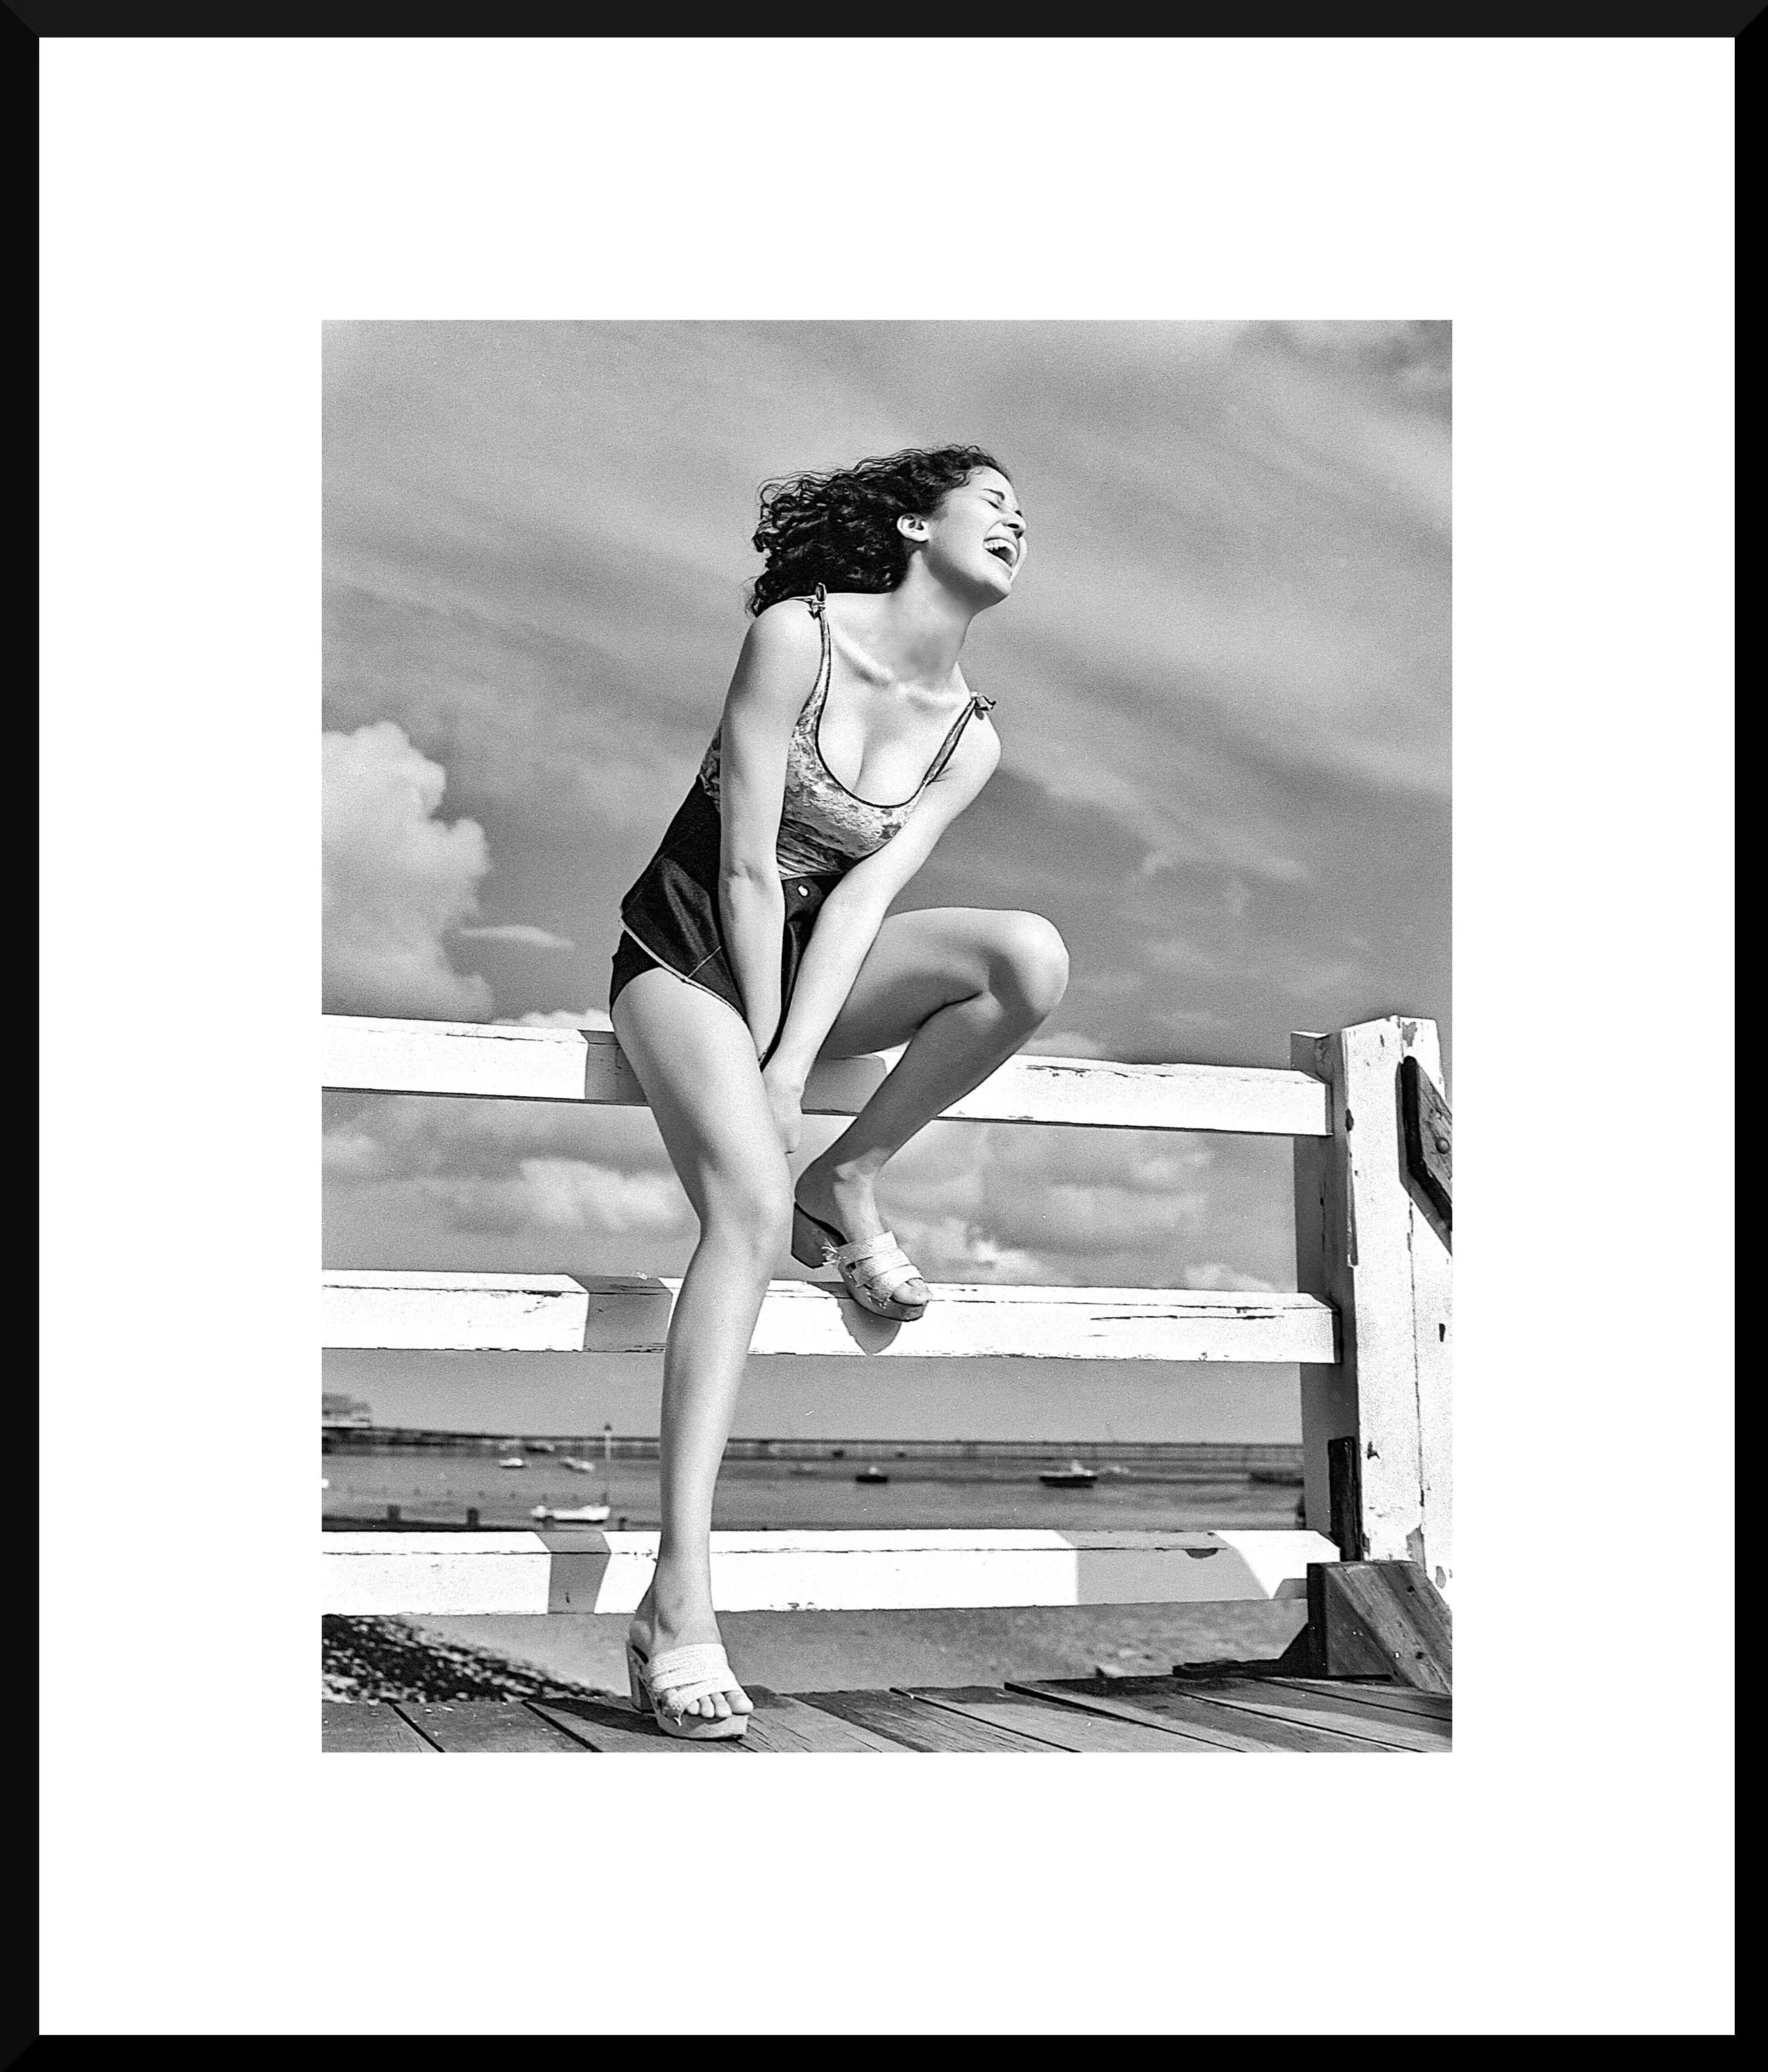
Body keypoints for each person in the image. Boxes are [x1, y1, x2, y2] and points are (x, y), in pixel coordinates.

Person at [607, 446, 1069, 1737]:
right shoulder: (793, 636)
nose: (1015, 523)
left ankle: (846, 1174)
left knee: (1024, 957)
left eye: (1023, 517)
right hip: (687, 947)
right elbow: (749, 866)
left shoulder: (970, 735)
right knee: (744, 1219)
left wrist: (797, 1071)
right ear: (916, 522)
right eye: (994, 504)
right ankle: (677, 1603)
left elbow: (862, 895)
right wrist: (761, 1057)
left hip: (816, 965)